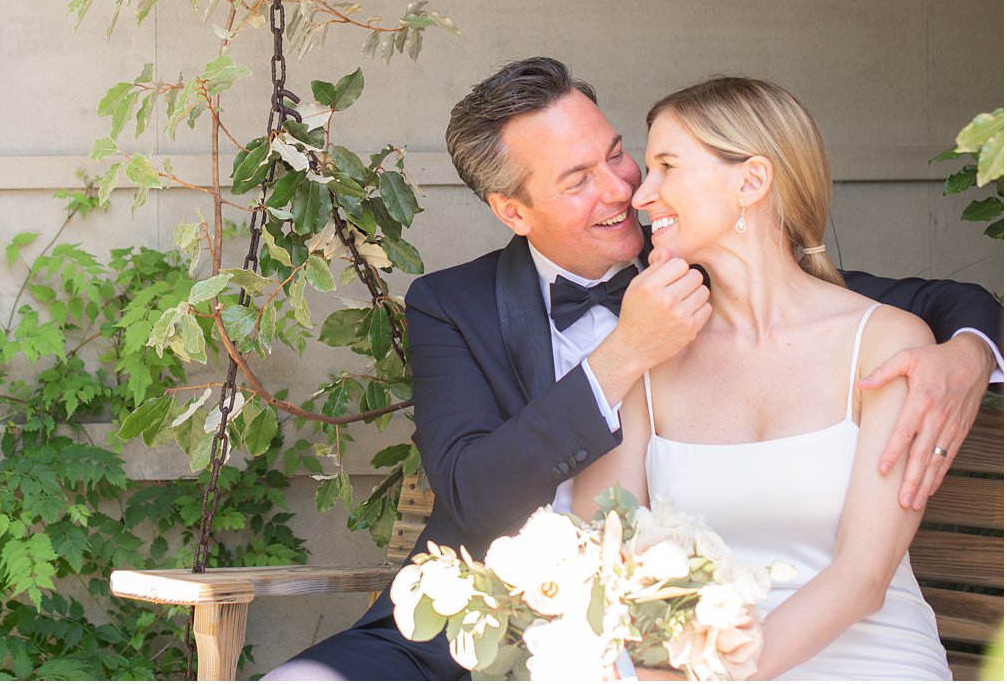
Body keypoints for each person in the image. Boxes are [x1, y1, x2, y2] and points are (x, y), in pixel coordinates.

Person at [265, 58, 1001, 681]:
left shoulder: (726, 269)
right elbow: (477, 492)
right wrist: (621, 356)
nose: (626, 191)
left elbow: (922, 303)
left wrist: (972, 350)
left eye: (622, 155)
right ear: (513, 211)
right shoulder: (453, 306)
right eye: (578, 179)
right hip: (481, 633)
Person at [571, 77, 953, 679]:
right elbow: (600, 541)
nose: (641, 195)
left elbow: (863, 577)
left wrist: (715, 674)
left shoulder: (884, 343)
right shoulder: (651, 351)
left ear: (751, 182)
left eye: (667, 167)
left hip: (865, 659)